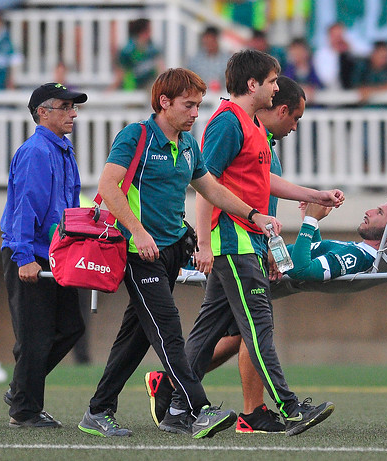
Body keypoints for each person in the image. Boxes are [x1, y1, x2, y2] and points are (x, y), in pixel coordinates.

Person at [77, 68, 280, 439]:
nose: (195, 113)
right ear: (164, 102)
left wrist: (253, 214)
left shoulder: (188, 145)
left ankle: (98, 410)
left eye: (199, 105)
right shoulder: (136, 135)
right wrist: (138, 232)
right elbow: (108, 185)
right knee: (169, 329)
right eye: (188, 105)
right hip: (141, 253)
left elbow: (211, 189)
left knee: (135, 337)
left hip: (169, 252)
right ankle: (196, 408)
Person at [145, 195, 387, 430]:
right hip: (246, 263)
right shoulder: (361, 251)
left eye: (380, 212)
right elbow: (309, 257)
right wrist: (309, 222)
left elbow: (303, 269)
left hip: (250, 264)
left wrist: (311, 222)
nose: (369, 211)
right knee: (242, 334)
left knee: (241, 336)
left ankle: (173, 386)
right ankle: (242, 411)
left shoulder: (360, 256)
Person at [187, 49, 342, 437]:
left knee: (209, 332)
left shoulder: (252, 125)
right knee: (258, 326)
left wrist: (315, 194)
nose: (277, 87)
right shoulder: (227, 122)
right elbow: (206, 185)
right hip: (231, 239)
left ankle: (175, 396)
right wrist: (203, 242)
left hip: (247, 238)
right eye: (273, 80)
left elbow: (263, 182)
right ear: (253, 84)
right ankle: (289, 408)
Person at [0, 82, 88, 428]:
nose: (72, 113)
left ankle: (21, 387)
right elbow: (25, 207)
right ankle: (24, 410)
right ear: (42, 112)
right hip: (30, 254)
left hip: (54, 255)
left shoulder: (63, 149)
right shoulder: (37, 151)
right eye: (65, 107)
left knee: (69, 327)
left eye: (73, 107)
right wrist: (23, 257)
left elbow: (67, 209)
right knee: (35, 336)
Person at [110, 18, 164, 91]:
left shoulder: (153, 49)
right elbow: (121, 72)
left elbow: (160, 68)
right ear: (143, 31)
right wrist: (112, 88)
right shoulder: (128, 50)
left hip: (148, 84)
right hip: (131, 85)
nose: (151, 33)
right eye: (149, 30)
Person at [313, 22, 357, 90]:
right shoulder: (321, 55)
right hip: (331, 93)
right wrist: (338, 55)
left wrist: (348, 52)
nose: (338, 39)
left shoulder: (352, 51)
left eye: (340, 36)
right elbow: (327, 79)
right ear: (329, 37)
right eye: (335, 36)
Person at [187, 26, 231, 93]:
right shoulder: (195, 59)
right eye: (207, 40)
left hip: (222, 95)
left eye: (212, 40)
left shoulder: (227, 59)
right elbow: (189, 79)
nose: (209, 44)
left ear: (216, 40)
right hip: (201, 95)